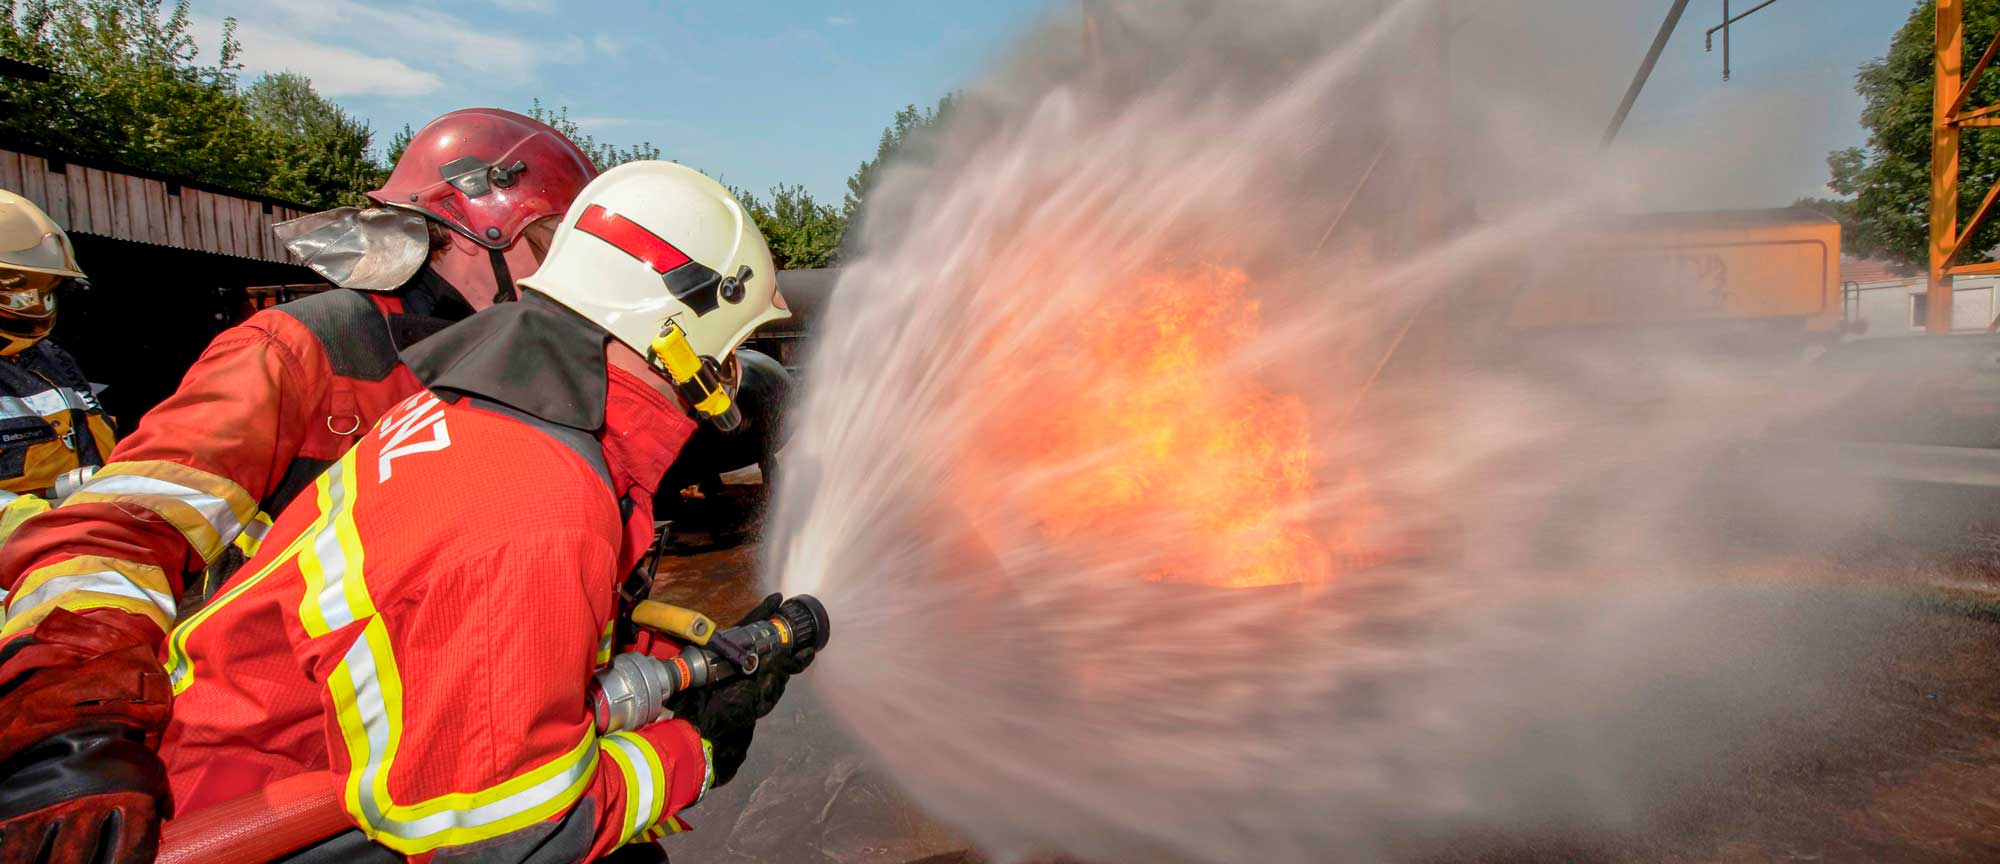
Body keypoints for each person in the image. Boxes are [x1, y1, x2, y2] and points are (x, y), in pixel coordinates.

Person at [156, 160, 799, 862]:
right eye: (731, 350)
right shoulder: (536, 503)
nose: (729, 374)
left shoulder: (476, 419)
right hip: (287, 822)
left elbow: (485, 641)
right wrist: (694, 748)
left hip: (274, 775)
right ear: (676, 337)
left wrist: (682, 665)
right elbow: (514, 834)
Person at [0, 108, 596, 864]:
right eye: (552, 247)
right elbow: (116, 530)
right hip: (282, 779)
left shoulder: (519, 375)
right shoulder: (300, 350)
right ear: (483, 227)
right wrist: (76, 724)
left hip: (445, 773)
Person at [0, 191, 117, 540]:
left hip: (74, 559)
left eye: (45, 290)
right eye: (21, 292)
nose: (36, 305)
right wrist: (52, 520)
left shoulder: (50, 358)